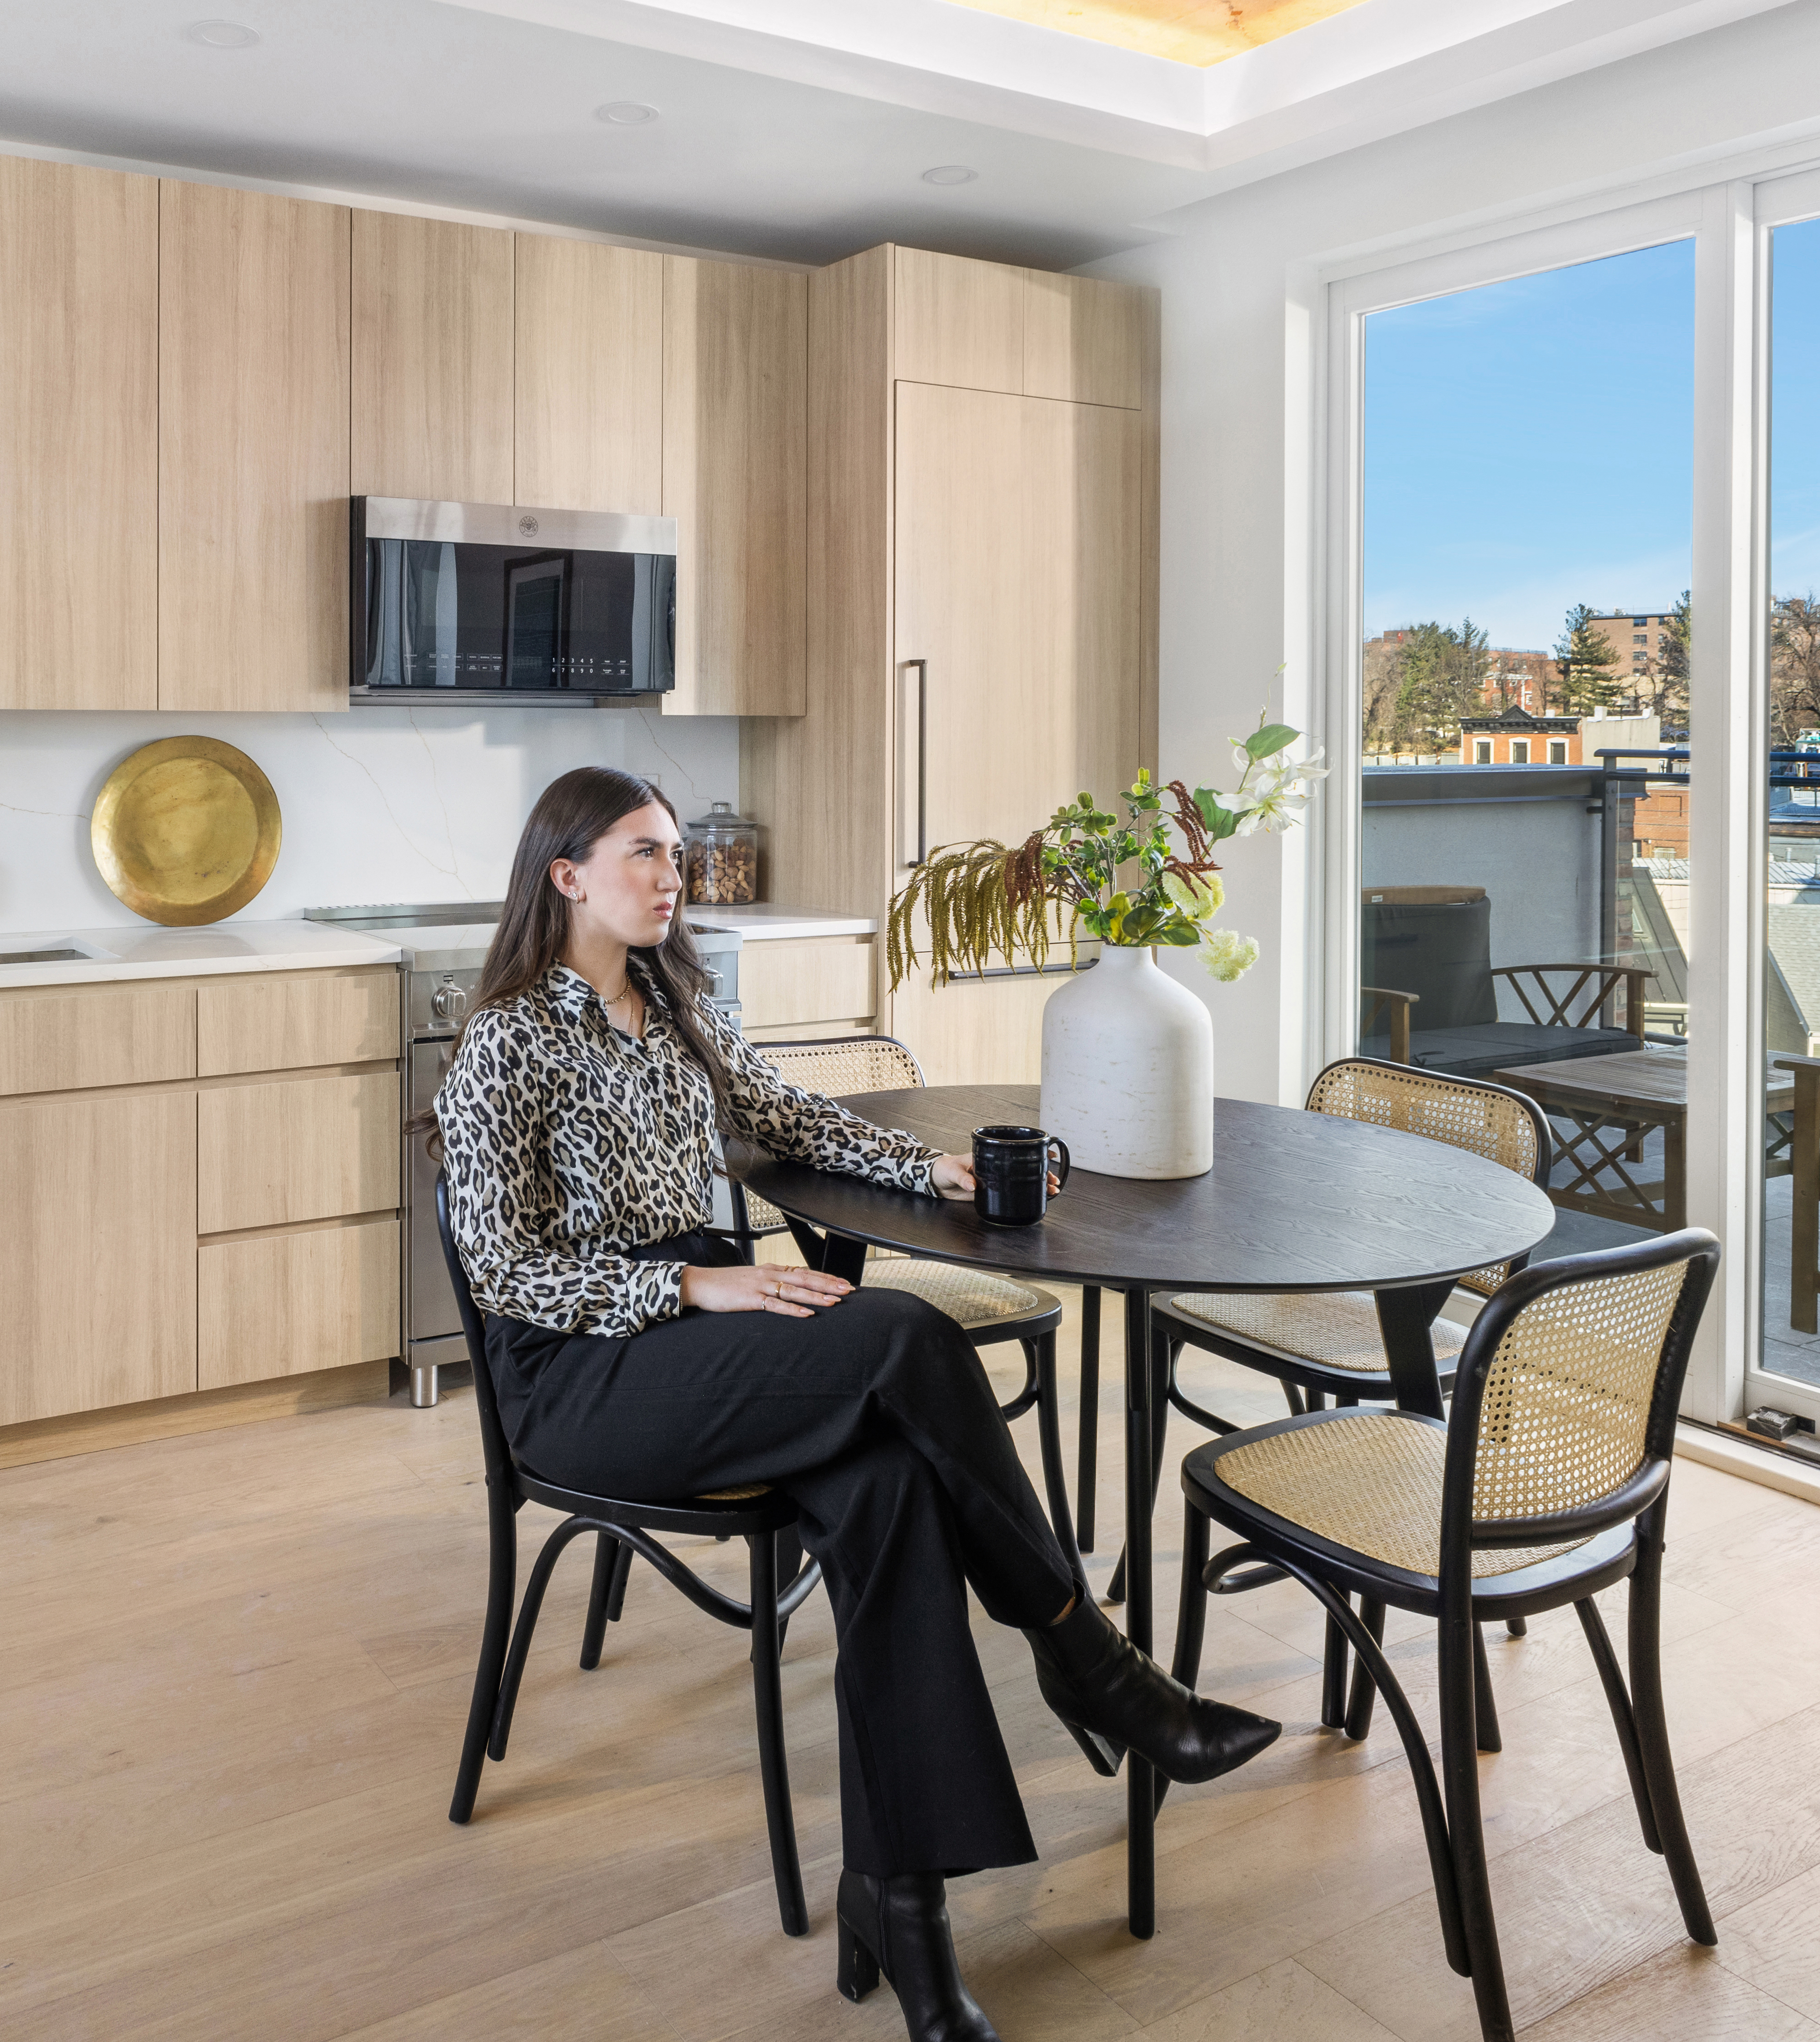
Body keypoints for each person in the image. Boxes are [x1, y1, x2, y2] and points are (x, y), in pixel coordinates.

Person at [433, 766, 1279, 2042]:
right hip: (582, 1370)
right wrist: (693, 1287)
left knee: (888, 1491)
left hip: (691, 1338)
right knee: (905, 1338)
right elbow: (501, 1270)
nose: (673, 875)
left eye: (675, 853)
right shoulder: (510, 1036)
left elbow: (791, 1119)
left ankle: (903, 1905)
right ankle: (1093, 1665)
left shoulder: (675, 1005)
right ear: (567, 875)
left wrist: (928, 1169)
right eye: (644, 853)